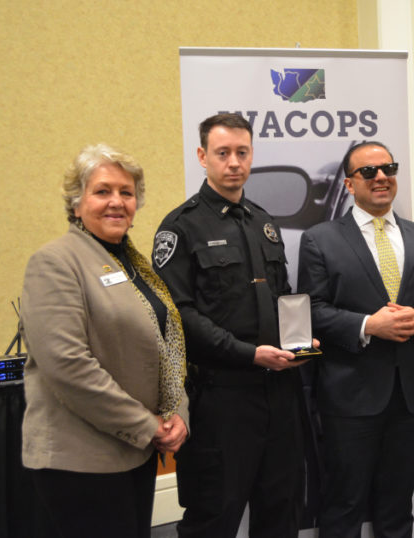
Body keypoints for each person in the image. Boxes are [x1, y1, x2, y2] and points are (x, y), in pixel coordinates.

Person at [153, 113, 311, 538]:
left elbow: (283, 295)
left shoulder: (264, 222)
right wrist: (248, 354)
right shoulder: (180, 227)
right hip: (221, 399)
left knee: (281, 514)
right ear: (203, 156)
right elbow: (178, 316)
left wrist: (301, 338)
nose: (234, 162)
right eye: (222, 153)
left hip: (279, 393)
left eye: (242, 152)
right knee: (213, 519)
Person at [19, 144, 188, 538]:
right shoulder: (55, 262)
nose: (117, 202)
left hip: (135, 451)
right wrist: (148, 426)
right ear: (76, 204)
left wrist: (178, 413)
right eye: (102, 191)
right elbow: (68, 367)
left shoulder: (134, 265)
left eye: (126, 193)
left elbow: (166, 347)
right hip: (81, 460)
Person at [297, 141, 414, 537]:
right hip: (349, 396)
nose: (381, 177)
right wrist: (368, 325)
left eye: (389, 168)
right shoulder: (321, 239)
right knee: (344, 503)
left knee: (398, 504)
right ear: (349, 184)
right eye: (369, 172)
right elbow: (311, 311)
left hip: (409, 396)